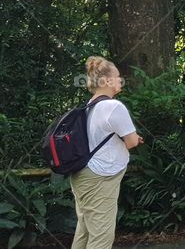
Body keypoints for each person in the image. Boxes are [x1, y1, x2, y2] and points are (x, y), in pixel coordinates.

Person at [70, 56, 141, 249]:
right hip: (100, 177)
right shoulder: (113, 106)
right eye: (118, 77)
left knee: (84, 231)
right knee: (101, 237)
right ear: (108, 81)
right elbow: (132, 141)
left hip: (83, 174)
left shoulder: (89, 106)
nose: (120, 80)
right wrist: (131, 140)